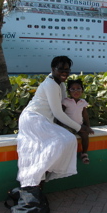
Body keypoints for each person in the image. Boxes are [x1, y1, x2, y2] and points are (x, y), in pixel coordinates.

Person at [16, 56, 91, 188]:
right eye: (60, 69)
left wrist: (78, 121)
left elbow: (63, 105)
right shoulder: (50, 84)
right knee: (63, 141)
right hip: (34, 118)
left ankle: (41, 180)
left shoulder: (60, 84)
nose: (64, 73)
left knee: (64, 141)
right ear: (53, 69)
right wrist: (79, 128)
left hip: (45, 121)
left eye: (67, 70)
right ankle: (36, 181)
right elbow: (57, 113)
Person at [62, 79, 94, 164]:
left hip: (79, 126)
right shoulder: (66, 101)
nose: (76, 91)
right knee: (69, 139)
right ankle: (68, 156)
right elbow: (61, 114)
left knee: (85, 136)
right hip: (68, 126)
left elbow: (85, 115)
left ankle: (84, 153)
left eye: (78, 88)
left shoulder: (83, 102)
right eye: (73, 89)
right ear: (69, 91)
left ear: (82, 90)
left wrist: (88, 127)